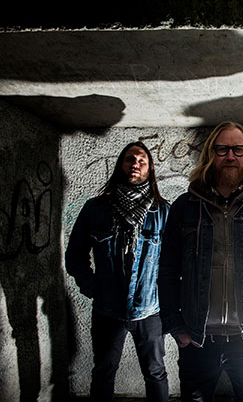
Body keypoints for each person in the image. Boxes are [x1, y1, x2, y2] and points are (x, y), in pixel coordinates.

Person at [157, 121, 243, 401]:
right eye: (222, 149)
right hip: (197, 339)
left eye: (238, 149)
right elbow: (167, 270)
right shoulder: (185, 206)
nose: (230, 156)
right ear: (211, 154)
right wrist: (176, 326)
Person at [65, 142, 170, 402]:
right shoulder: (96, 209)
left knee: (155, 372)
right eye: (129, 159)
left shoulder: (163, 211)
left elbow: (174, 263)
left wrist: (167, 299)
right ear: (120, 165)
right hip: (107, 310)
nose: (135, 164)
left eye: (142, 160)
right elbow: (75, 256)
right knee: (103, 372)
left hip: (149, 310)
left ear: (150, 169)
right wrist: (94, 289)